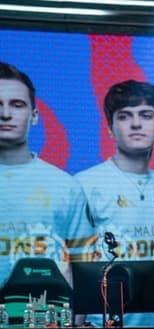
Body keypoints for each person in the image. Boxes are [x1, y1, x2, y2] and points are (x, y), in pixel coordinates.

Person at [75, 80, 154, 326]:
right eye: (125, 116)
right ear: (110, 129)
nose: (136, 124)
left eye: (146, 115)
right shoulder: (85, 185)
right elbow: (74, 265)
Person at [0, 62, 89, 295]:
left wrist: (76, 317)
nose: (5, 114)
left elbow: (83, 266)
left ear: (34, 116)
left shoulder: (65, 186)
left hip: (45, 314)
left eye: (17, 105)